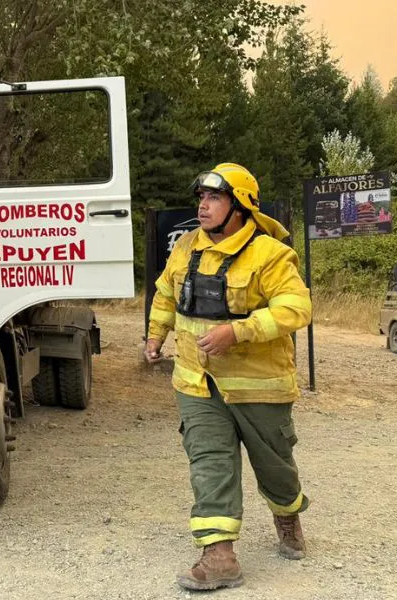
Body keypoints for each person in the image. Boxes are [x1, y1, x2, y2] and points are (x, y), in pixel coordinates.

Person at [145, 163, 313, 591]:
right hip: (197, 383)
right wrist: (155, 335)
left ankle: (287, 515)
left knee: (275, 467)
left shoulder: (270, 254)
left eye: (214, 198)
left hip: (259, 387)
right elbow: (166, 294)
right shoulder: (186, 247)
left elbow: (297, 309)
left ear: (240, 207)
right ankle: (219, 555)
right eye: (201, 197)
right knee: (209, 462)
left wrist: (238, 331)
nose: (203, 206)